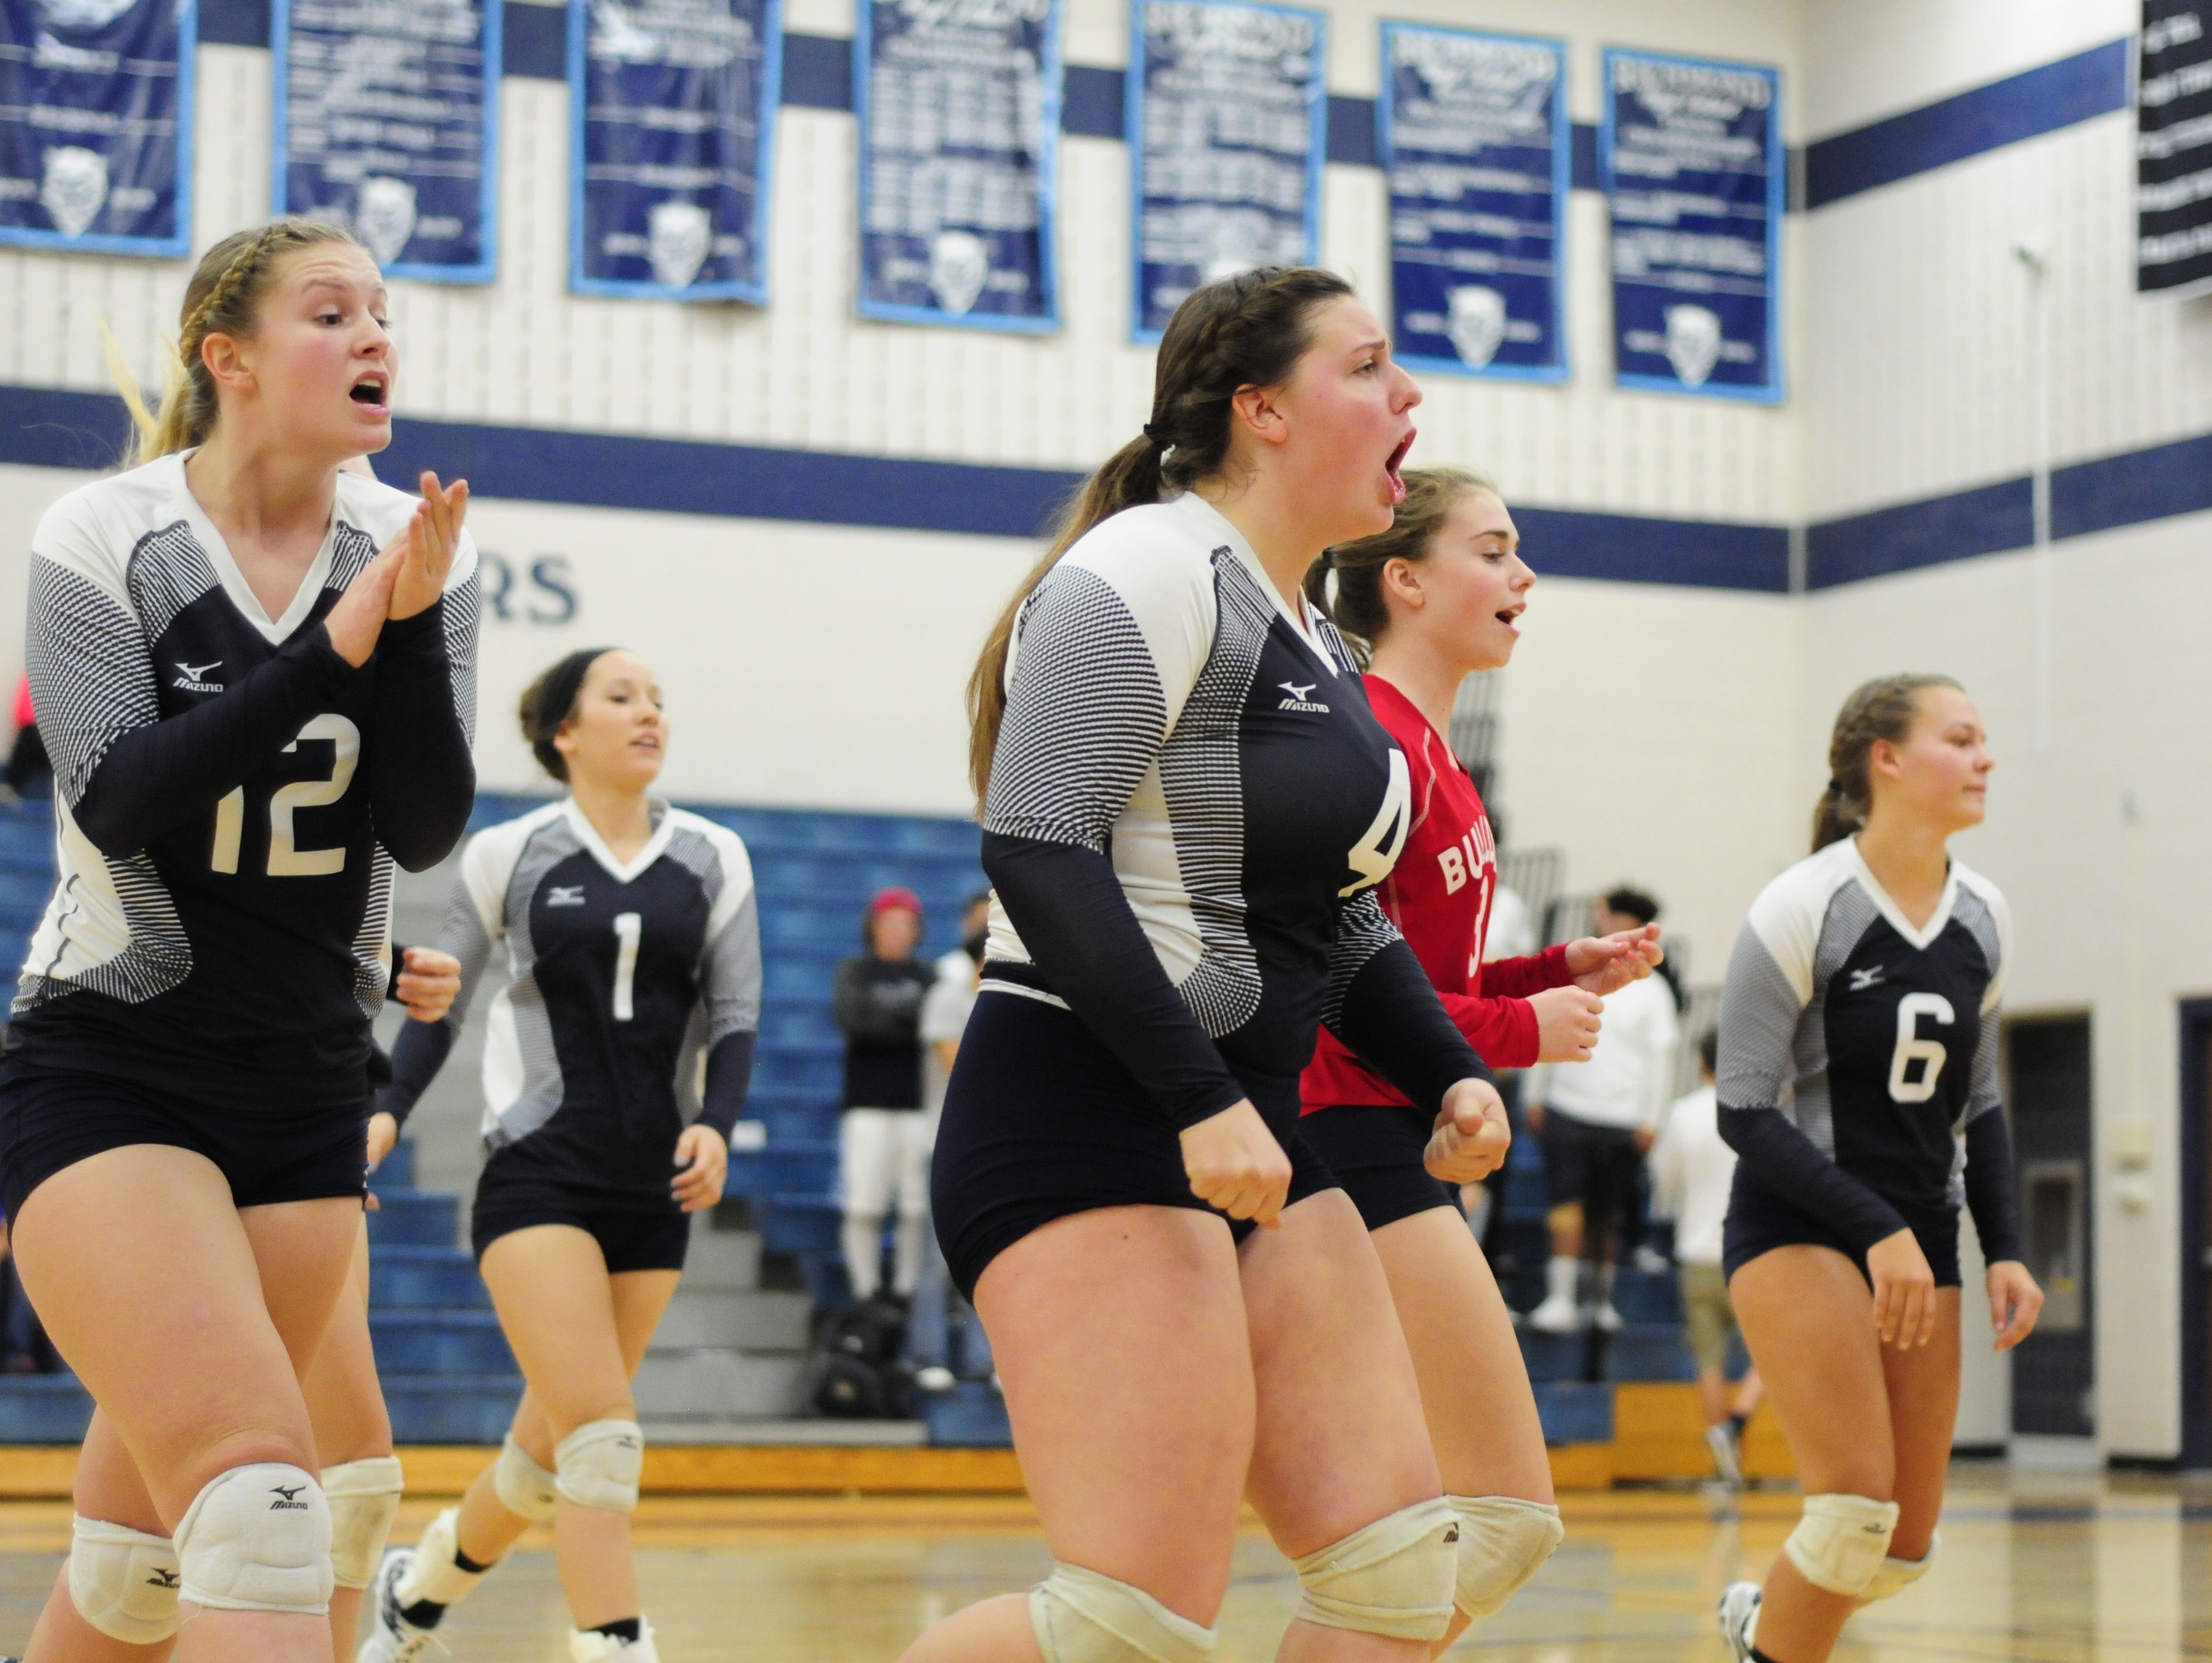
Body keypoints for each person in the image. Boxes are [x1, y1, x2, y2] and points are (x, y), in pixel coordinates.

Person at [912, 266, 1513, 1663]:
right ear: (1262, 410)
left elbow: (1341, 915)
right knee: (1126, 1622)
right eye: (1367, 367)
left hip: (1249, 1127)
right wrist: (1195, 1098)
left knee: (1392, 1576)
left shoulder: (1310, 627)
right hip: (1091, 1110)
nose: (1408, 395)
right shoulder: (1141, 569)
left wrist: (1449, 1071)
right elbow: (1039, 841)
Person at [0, 215, 477, 1663]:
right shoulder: (105, 534)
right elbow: (124, 796)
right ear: (231, 358)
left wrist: (399, 625)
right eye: (333, 314)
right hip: (116, 1061)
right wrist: (331, 644)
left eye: (384, 313)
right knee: (266, 1505)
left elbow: (424, 818)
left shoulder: (408, 538)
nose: (375, 337)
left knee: (148, 1563)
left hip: (308, 1084)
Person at [1295, 465, 1665, 1651]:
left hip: (1393, 1132)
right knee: (1493, 1520)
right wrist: (1520, 1031)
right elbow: (1341, 988)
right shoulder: (1373, 747)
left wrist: (1555, 967)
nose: (1524, 575)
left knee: (1416, 1542)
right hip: (1344, 1135)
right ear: (1402, 579)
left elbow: (1413, 972)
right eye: (1493, 550)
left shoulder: (1442, 762)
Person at [357, 647, 761, 1663]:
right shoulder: (509, 852)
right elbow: (440, 1005)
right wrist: (388, 1110)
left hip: (655, 1184)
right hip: (537, 1173)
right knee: (603, 1442)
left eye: (659, 699)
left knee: (549, 1456)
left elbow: (737, 1010)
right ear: (562, 734)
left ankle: (418, 1590)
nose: (648, 713)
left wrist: (716, 1116)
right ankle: (615, 1645)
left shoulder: (715, 854)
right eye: (620, 697)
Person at [1713, 673, 2043, 1663]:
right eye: (1960, 737)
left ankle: (1756, 1625)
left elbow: (1977, 1104)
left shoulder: (1983, 915)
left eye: (1983, 739)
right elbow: (1739, 1105)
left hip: (1919, 1234)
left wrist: (2005, 1249)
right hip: (1796, 1224)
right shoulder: (1802, 903)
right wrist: (1875, 1230)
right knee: (1852, 1505)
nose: (1984, 756)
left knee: (1899, 1545)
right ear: (1885, 760)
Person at [1524, 887, 1681, 1333]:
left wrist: (1652, 1119)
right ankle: (1560, 1299)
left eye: (1606, 913)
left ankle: (1600, 1301)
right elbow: (1543, 1022)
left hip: (1622, 1119)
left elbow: (1661, 1059)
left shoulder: (1656, 992)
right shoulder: (1574, 970)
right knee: (1564, 1204)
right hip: (1568, 1106)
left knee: (1605, 1213)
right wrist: (1537, 1093)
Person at [1648, 1029, 1764, 1488]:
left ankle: (1723, 1463)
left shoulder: (1682, 1114)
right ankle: (1738, 1422)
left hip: (1697, 1252)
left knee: (1710, 1363)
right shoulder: (1758, 1112)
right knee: (1773, 1353)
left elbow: (1663, 1182)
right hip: (1750, 1252)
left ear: (1701, 1064)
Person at [832, 889, 936, 1303]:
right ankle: (866, 1293)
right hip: (866, 1104)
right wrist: (908, 1020)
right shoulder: (854, 971)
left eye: (904, 923)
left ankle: (907, 1291)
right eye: (887, 922)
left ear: (917, 930)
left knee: (916, 1208)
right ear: (872, 927)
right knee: (863, 1205)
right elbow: (854, 1021)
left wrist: (885, 1021)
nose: (896, 931)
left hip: (918, 1105)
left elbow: (933, 1026)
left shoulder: (929, 976)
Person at [910, 893, 993, 1392]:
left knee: (991, 1255)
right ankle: (929, 1354)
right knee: (935, 1259)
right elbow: (962, 1071)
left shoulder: (1012, 1003)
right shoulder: (948, 997)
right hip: (946, 1146)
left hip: (995, 1148)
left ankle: (985, 1360)